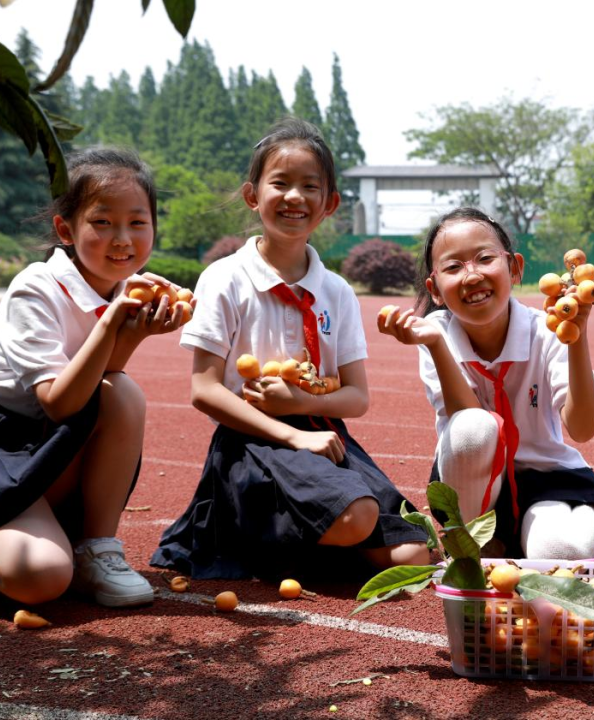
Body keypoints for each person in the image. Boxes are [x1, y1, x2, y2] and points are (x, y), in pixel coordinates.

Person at [0, 147, 189, 608]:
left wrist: (135, 330)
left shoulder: (125, 288)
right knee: (43, 580)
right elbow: (60, 401)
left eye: (138, 223)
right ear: (65, 229)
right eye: (102, 222)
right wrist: (113, 318)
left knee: (122, 394)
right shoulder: (34, 289)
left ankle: (98, 548)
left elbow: (103, 376)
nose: (122, 239)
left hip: (45, 444)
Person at [151, 117, 429, 581]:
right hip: (253, 439)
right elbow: (204, 390)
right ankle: (238, 526)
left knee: (412, 559)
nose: (294, 197)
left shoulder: (336, 291)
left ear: (329, 203)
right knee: (356, 517)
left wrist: (302, 404)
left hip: (324, 435)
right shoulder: (226, 278)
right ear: (252, 195)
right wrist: (292, 433)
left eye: (310, 186)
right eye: (280, 183)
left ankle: (294, 540)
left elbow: (357, 398)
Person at [377, 207, 594, 560]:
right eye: (453, 267)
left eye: (484, 258)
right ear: (434, 289)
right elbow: (468, 428)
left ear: (515, 269)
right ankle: (472, 545)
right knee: (473, 427)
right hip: (472, 485)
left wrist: (577, 335)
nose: (471, 276)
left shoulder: (549, 328)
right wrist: (435, 345)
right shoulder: (434, 334)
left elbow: (583, 428)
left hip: (548, 481)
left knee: (560, 553)